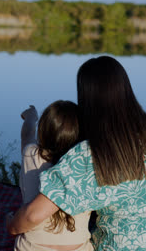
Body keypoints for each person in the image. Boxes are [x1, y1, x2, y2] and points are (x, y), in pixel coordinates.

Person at [8, 56, 146, 250]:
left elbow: (33, 215)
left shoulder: (90, 156)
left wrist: (11, 226)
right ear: (125, 89)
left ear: (86, 101)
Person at [14, 101, 93, 251]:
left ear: (44, 131)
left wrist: (31, 118)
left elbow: (27, 135)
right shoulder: (87, 163)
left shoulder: (32, 154)